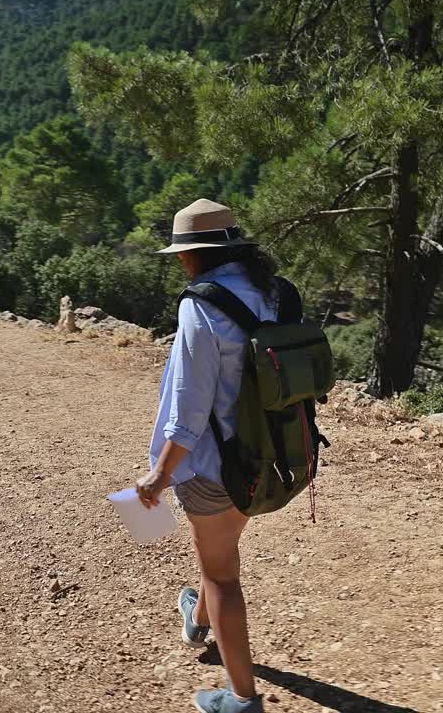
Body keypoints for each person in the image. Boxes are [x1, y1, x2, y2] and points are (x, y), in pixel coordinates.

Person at [136, 199, 279, 713]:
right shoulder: (276, 293)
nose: (180, 262)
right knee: (217, 548)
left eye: (182, 253)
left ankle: (242, 698)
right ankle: (198, 620)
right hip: (272, 457)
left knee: (222, 576)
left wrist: (159, 475)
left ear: (194, 255)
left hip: (219, 467)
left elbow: (190, 411)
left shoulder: (202, 305)